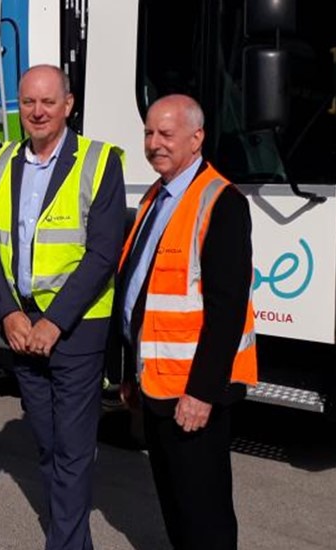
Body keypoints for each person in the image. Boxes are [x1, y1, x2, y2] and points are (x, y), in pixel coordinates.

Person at [0, 65, 126, 550]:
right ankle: (74, 540)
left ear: (68, 105)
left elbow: (104, 253)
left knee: (71, 450)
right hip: (22, 328)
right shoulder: (3, 162)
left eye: (48, 102)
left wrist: (54, 321)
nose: (38, 111)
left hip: (76, 332)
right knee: (47, 445)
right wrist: (8, 313)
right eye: (29, 102)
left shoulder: (100, 160)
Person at [117, 94, 258, 550]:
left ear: (196, 138)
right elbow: (139, 293)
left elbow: (227, 310)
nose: (154, 143)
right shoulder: (157, 197)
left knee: (205, 517)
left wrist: (202, 392)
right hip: (156, 386)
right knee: (177, 511)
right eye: (148, 133)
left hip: (193, 394)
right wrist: (129, 373)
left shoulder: (222, 202)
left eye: (166, 134)